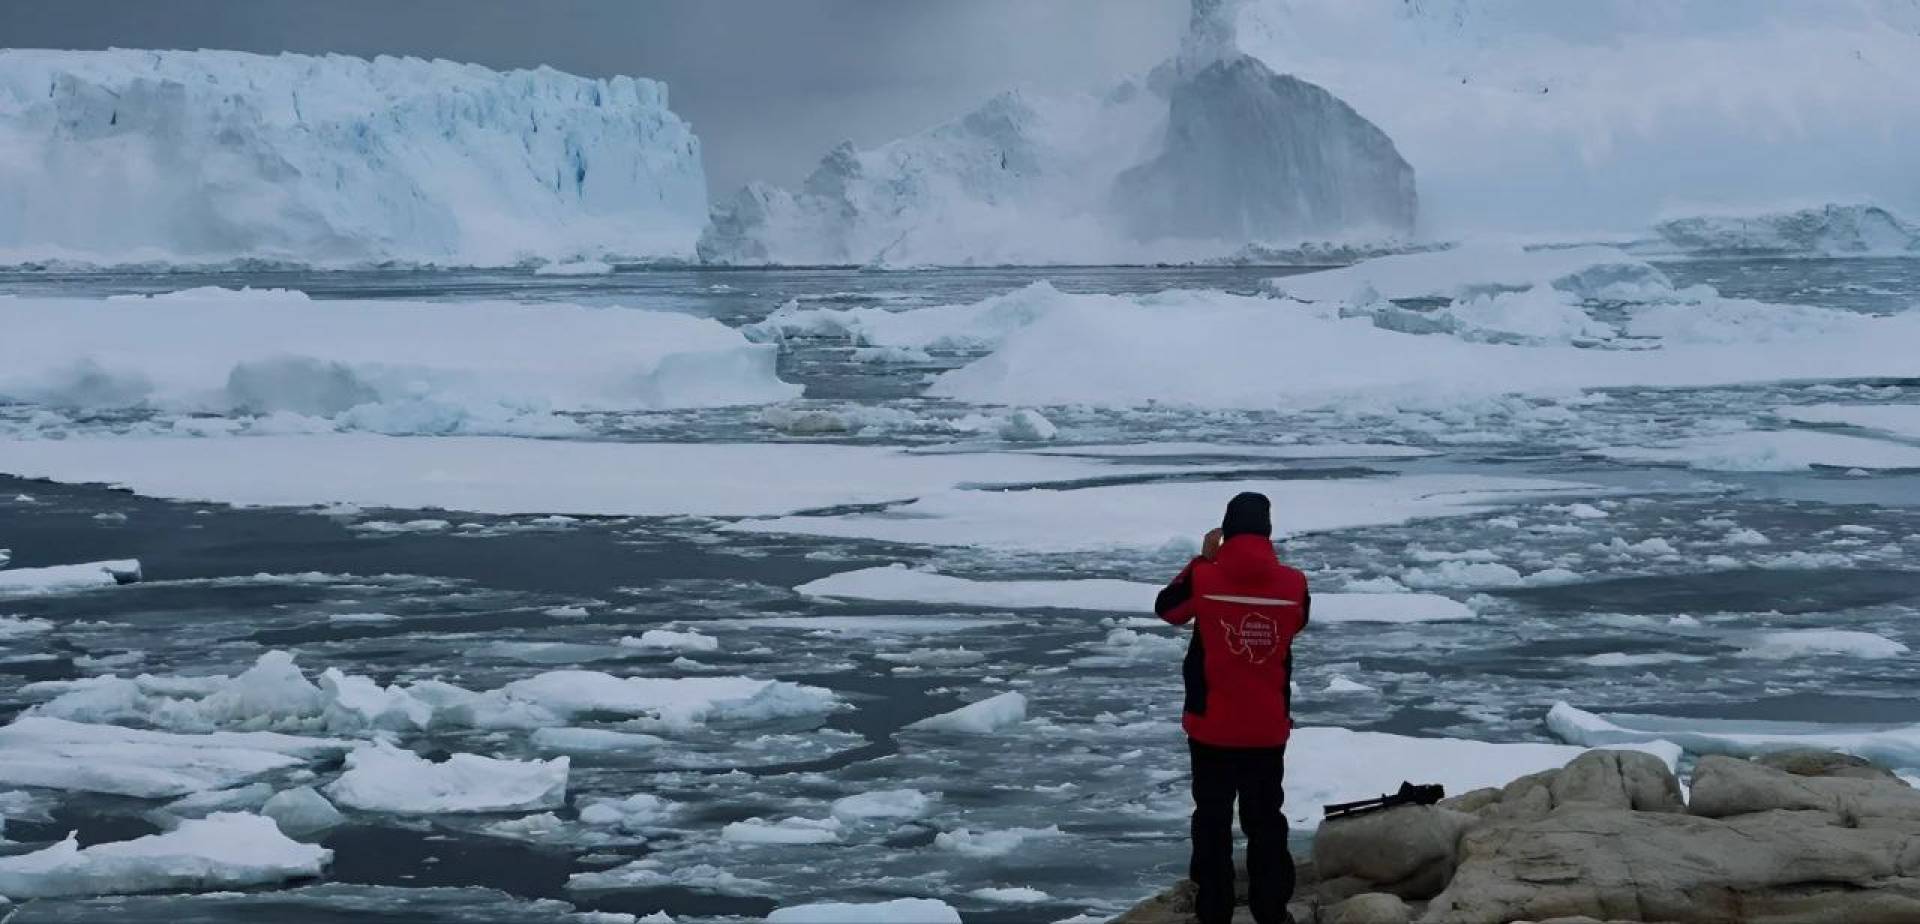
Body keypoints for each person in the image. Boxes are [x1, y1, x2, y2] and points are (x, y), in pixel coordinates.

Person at [1154, 491, 1310, 924]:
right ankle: (1272, 912)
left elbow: (1169, 610)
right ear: (1268, 531)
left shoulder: (1205, 577)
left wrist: (1203, 562)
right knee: (1266, 821)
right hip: (1266, 727)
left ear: (1225, 531)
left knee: (1212, 821)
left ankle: (1213, 912)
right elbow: (1297, 622)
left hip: (1211, 727)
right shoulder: (1294, 583)